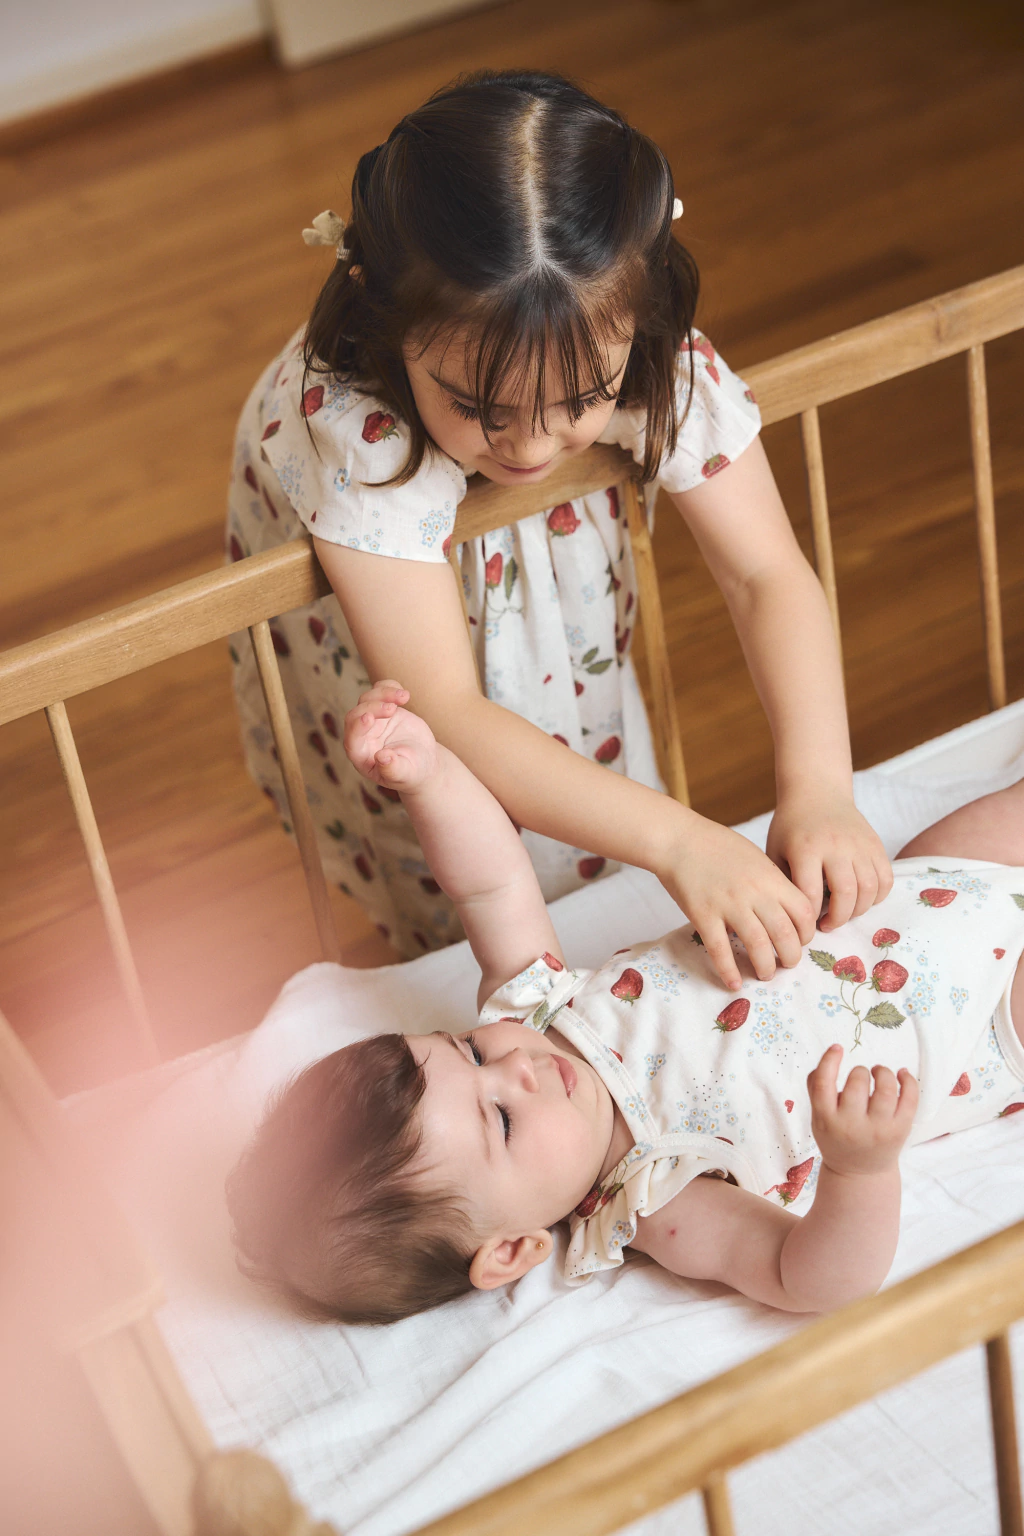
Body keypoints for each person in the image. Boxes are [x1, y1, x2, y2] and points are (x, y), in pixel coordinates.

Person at [226, 68, 891, 982]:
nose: (533, 446)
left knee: (578, 762)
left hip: (541, 613)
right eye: (480, 407)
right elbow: (445, 707)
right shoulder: (354, 428)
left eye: (581, 400)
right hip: (395, 626)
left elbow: (765, 574)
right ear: (391, 320)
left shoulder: (647, 353)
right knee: (439, 840)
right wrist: (683, 841)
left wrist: (820, 790)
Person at [227, 683, 1024, 1326]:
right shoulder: (656, 1196)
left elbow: (488, 882)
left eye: (466, 1051)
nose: (516, 1070)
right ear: (512, 1249)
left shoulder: (535, 1009)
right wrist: (859, 1168)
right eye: (500, 1121)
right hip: (988, 1019)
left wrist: (428, 776)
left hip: (922, 887)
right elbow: (807, 1279)